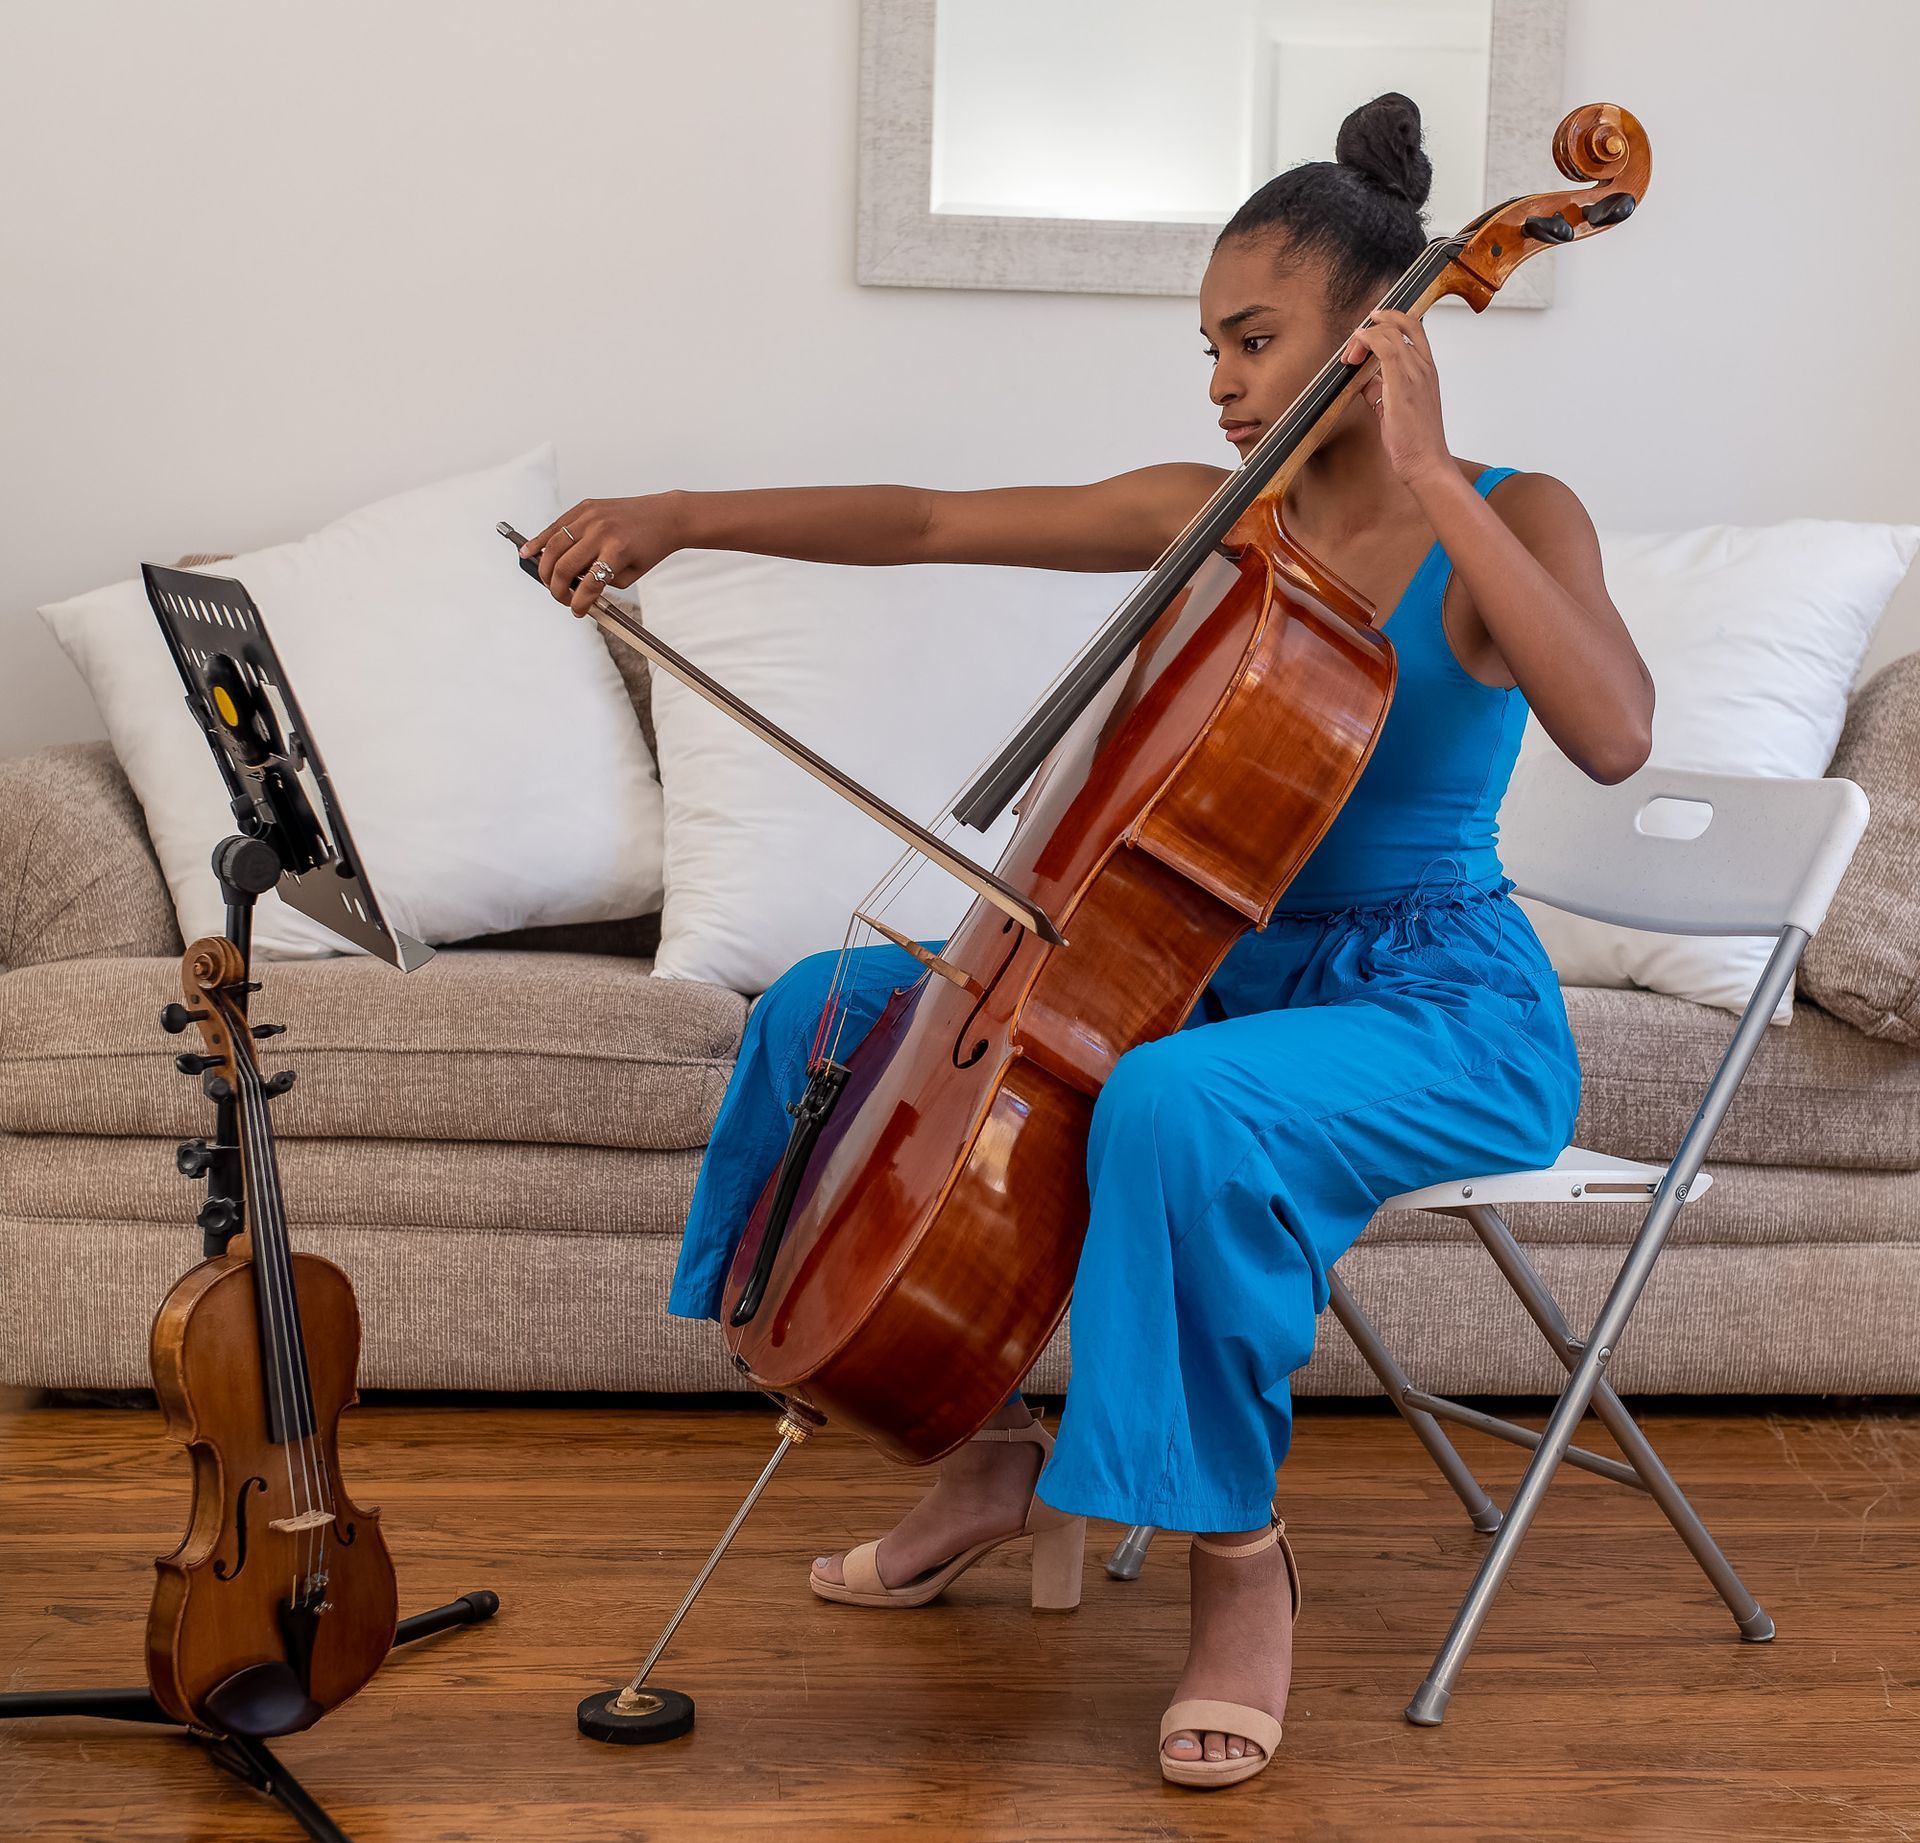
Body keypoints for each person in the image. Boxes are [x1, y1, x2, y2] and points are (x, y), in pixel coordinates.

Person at [519, 92, 1653, 1791]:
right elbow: (923, 521)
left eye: (1255, 340)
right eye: (1209, 345)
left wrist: (1426, 465)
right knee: (829, 1012)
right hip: (1205, 971)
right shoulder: (1209, 512)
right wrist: (682, 508)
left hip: (1431, 999)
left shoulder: (1512, 510)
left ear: (1381, 327)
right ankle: (976, 1453)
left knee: (1183, 1110)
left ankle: (1240, 1563)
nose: (1220, 382)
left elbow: (1620, 731)